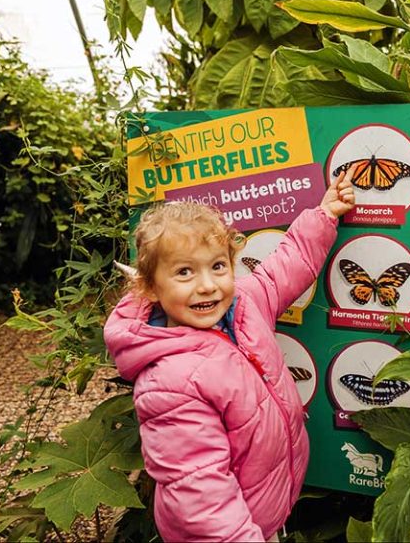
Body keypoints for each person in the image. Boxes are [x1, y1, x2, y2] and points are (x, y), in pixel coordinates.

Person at [104, 170, 356, 542]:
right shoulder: (170, 382)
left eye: (217, 266)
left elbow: (279, 272)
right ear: (151, 288)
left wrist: (324, 215)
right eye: (185, 272)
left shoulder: (242, 305)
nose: (207, 285)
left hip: (261, 511)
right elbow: (201, 501)